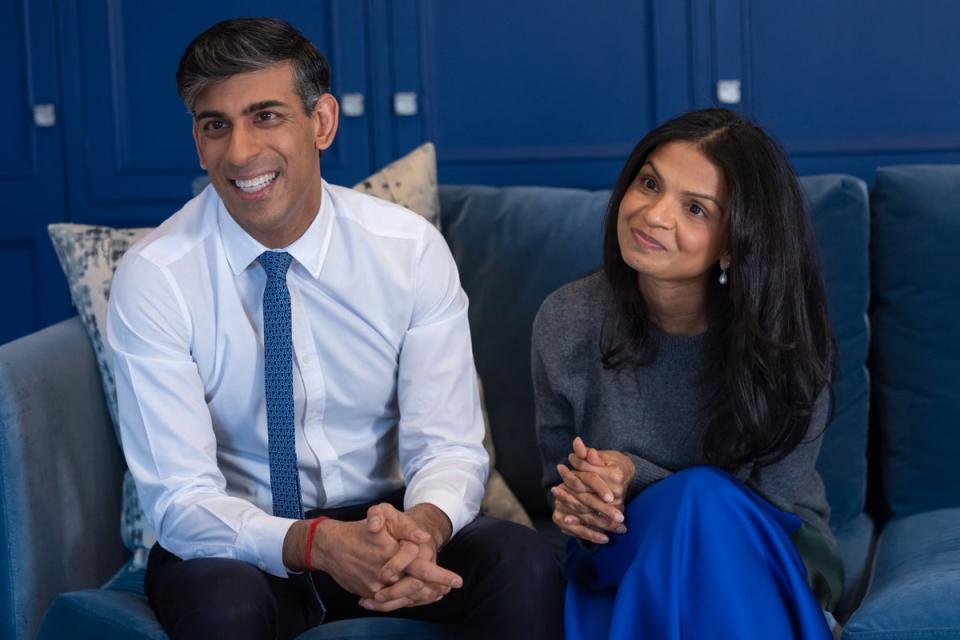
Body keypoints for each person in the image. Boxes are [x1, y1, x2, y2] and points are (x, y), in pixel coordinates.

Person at [106, 17, 562, 640]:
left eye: (266, 116)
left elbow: (449, 446)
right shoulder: (156, 275)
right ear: (198, 138)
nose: (239, 152)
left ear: (321, 122)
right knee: (223, 607)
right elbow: (180, 501)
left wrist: (421, 531)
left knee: (526, 561)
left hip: (388, 524)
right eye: (217, 124)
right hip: (241, 542)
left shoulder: (407, 251)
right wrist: (316, 545)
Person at [532, 108, 843, 639]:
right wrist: (582, 505)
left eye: (696, 209)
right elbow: (558, 482)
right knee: (688, 505)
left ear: (734, 241)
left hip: (771, 548)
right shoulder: (566, 319)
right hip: (625, 550)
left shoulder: (781, 340)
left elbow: (768, 505)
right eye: (649, 183)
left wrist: (635, 474)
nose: (654, 215)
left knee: (701, 498)